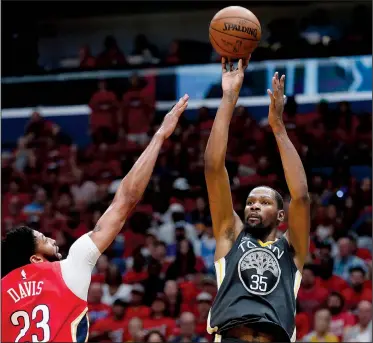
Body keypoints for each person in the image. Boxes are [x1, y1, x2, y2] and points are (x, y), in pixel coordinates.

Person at [1, 95, 189, 342]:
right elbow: (125, 201)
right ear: (35, 258)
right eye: (45, 239)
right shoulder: (69, 269)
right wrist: (159, 136)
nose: (54, 240)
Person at [204, 58, 310, 343]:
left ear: (280, 216)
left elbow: (300, 196)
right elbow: (214, 168)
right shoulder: (230, 236)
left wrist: (277, 127)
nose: (253, 205)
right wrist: (229, 97)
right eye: (251, 201)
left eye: (264, 202)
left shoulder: (293, 250)